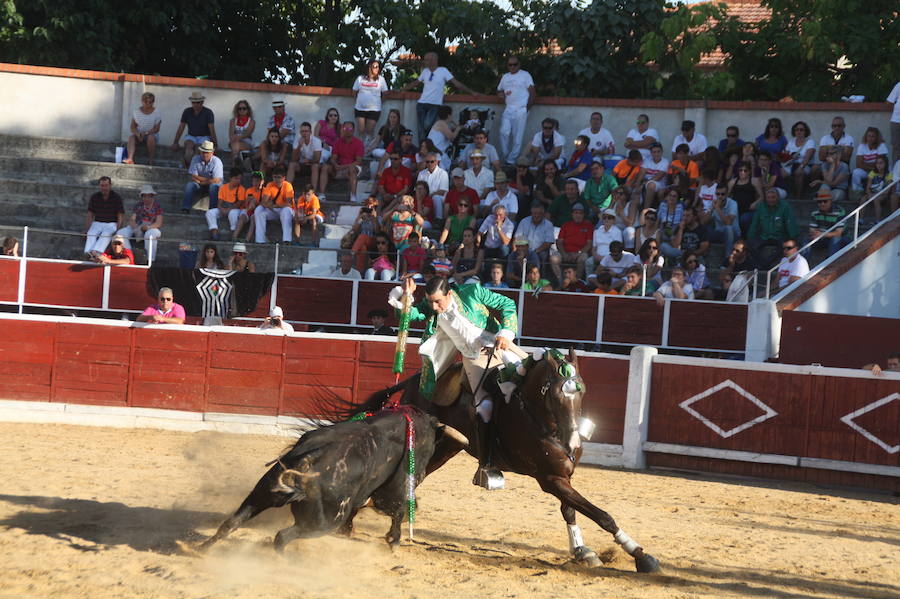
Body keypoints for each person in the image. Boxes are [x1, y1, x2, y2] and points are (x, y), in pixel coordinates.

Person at [388, 276, 526, 487]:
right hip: (473, 358)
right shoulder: (432, 307)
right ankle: (487, 463)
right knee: (484, 405)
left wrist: (506, 333)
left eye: (438, 302)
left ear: (449, 294)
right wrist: (405, 295)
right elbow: (407, 315)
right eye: (431, 302)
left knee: (531, 376)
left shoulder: (472, 292)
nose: (435, 307)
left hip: (498, 344)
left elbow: (507, 303)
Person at [399, 51, 476, 141]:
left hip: (434, 105)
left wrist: (472, 92)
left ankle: (427, 147)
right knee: (421, 130)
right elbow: (416, 83)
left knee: (427, 126)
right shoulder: (425, 71)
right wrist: (402, 89)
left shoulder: (443, 71)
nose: (425, 62)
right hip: (421, 104)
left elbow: (456, 84)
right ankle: (423, 150)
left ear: (433, 60)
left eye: (427, 60)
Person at [496, 56, 536, 165]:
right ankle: (506, 155)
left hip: (521, 109)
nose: (512, 67)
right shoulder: (505, 77)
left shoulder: (525, 75)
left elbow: (532, 92)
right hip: (508, 108)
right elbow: (499, 90)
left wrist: (526, 109)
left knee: (517, 136)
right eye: (510, 65)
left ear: (519, 64)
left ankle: (511, 160)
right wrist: (500, 95)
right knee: (503, 132)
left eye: (515, 64)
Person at [748, 189, 798, 268]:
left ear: (778, 198)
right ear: (765, 198)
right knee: (750, 245)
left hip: (780, 236)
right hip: (764, 236)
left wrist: (793, 237)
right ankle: (764, 264)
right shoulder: (760, 206)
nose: (771, 200)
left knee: (784, 247)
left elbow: (790, 223)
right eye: (768, 197)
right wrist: (750, 237)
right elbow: (755, 223)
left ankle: (765, 265)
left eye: (773, 197)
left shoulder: (785, 206)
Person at [117, 184, 163, 264]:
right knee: (121, 233)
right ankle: (128, 255)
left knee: (150, 235)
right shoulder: (139, 205)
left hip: (152, 227)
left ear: (152, 196)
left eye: (149, 196)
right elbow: (132, 219)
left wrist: (148, 227)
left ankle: (149, 260)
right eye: (144, 196)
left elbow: (159, 223)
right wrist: (136, 228)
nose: (146, 198)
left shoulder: (157, 206)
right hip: (138, 226)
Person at [322, 121, 365, 202]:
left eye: (350, 128)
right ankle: (321, 194)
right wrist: (335, 165)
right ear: (342, 129)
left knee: (352, 169)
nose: (347, 130)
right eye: (345, 128)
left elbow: (358, 161)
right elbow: (333, 158)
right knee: (325, 167)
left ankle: (353, 195)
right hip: (339, 167)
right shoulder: (338, 142)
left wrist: (342, 167)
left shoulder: (358, 143)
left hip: (353, 168)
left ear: (353, 130)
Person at [171, 91, 217, 168]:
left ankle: (191, 167)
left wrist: (215, 144)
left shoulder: (208, 112)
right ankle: (190, 166)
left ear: (202, 102)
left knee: (198, 150)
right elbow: (181, 127)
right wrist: (175, 142)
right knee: (189, 148)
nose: (195, 104)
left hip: (204, 136)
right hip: (191, 136)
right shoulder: (187, 111)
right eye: (193, 102)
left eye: (198, 102)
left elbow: (211, 129)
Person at [83, 176, 125, 258]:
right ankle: (87, 252)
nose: (104, 188)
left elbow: (120, 214)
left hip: (111, 223)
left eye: (106, 185)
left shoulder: (116, 197)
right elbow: (90, 214)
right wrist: (86, 229)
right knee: (91, 233)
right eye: (102, 185)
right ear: (99, 186)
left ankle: (96, 252)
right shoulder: (94, 197)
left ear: (110, 185)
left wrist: (118, 229)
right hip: (97, 222)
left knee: (106, 234)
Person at [253, 165, 294, 244]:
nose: (276, 180)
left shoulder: (288, 186)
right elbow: (264, 202)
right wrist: (270, 205)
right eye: (274, 177)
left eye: (279, 177)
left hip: (284, 210)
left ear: (283, 178)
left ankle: (287, 240)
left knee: (286, 211)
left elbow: (288, 204)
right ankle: (260, 240)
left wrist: (274, 205)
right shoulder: (269, 185)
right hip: (273, 209)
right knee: (259, 210)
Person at [551, 203, 592, 280]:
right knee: (554, 259)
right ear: (572, 214)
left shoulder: (588, 226)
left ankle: (576, 281)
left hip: (580, 253)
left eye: (580, 213)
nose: (578, 215)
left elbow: (589, 244)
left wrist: (578, 253)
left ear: (583, 215)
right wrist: (564, 254)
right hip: (565, 252)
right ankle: (561, 282)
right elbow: (559, 242)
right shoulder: (566, 225)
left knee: (583, 258)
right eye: (576, 213)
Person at [181, 140, 223, 214]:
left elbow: (217, 180)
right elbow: (193, 176)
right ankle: (185, 208)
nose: (204, 154)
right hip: (200, 184)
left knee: (213, 187)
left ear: (212, 153)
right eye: (203, 152)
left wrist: (201, 182)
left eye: (207, 152)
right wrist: (208, 180)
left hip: (210, 185)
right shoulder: (195, 158)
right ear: (200, 152)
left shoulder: (217, 161)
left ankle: (212, 211)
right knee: (190, 185)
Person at [352, 59, 388, 144]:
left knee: (369, 131)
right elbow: (354, 91)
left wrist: (379, 102)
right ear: (369, 67)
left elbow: (386, 93)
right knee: (361, 130)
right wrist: (358, 100)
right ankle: (359, 147)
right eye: (374, 67)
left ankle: (368, 148)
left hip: (374, 110)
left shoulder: (381, 80)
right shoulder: (360, 78)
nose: (376, 69)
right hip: (360, 108)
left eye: (377, 67)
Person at [206, 167, 247, 241]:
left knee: (232, 213)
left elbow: (239, 203)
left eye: (239, 179)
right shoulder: (223, 187)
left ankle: (233, 233)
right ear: (230, 178)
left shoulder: (241, 189)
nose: (238, 181)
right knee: (210, 212)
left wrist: (228, 210)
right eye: (236, 178)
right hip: (224, 208)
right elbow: (219, 202)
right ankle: (214, 232)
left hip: (236, 209)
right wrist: (221, 209)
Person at [806, 190, 847, 257]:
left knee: (835, 239)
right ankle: (804, 262)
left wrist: (822, 234)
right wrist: (817, 234)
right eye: (819, 201)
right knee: (806, 240)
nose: (822, 204)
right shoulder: (815, 213)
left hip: (842, 239)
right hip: (823, 238)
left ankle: (830, 263)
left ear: (830, 201)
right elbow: (812, 230)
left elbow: (838, 233)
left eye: (825, 201)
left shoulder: (840, 212)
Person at [124, 92, 161, 165]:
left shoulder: (157, 112)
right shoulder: (136, 112)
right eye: (146, 102)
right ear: (142, 101)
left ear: (153, 102)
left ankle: (151, 160)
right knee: (131, 138)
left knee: (150, 138)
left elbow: (157, 129)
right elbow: (132, 127)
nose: (148, 104)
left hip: (151, 134)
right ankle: (130, 158)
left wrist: (146, 133)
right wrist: (138, 134)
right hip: (139, 133)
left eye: (150, 102)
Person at [287, 122, 324, 189]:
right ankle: (286, 189)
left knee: (315, 166)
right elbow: (294, 159)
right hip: (302, 165)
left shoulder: (316, 141)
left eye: (306, 131)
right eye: (302, 131)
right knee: (292, 165)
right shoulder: (297, 141)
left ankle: (313, 191)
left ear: (310, 132)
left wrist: (309, 161)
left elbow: (317, 159)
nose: (304, 133)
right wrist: (299, 146)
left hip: (314, 164)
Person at [851, 127, 890, 192]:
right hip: (867, 171)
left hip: (880, 171)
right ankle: (857, 191)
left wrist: (865, 163)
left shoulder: (881, 145)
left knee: (889, 170)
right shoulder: (862, 146)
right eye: (868, 136)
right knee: (856, 172)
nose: (870, 138)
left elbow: (880, 163)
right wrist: (873, 165)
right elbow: (858, 164)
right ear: (866, 137)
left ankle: (885, 190)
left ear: (877, 137)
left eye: (873, 136)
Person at [783, 121, 816, 196]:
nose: (799, 132)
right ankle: (784, 194)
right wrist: (790, 158)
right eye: (797, 130)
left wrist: (801, 167)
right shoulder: (791, 142)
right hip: (791, 165)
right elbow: (786, 157)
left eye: (801, 130)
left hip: (805, 165)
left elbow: (808, 158)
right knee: (780, 172)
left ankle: (798, 197)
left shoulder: (810, 142)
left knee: (799, 173)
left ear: (805, 131)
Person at [350, 197, 382, 273]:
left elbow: (378, 232)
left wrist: (374, 218)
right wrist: (360, 217)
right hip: (362, 242)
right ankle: (360, 272)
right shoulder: (362, 217)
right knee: (362, 249)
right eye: (367, 206)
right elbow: (354, 229)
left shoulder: (378, 218)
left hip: (373, 241)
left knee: (362, 236)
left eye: (372, 207)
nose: (369, 208)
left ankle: (351, 254)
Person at [416, 152, 449, 219]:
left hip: (438, 198)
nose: (429, 164)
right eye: (427, 162)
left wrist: (430, 195)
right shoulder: (421, 173)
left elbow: (443, 191)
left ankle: (438, 219)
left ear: (436, 162)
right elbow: (417, 188)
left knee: (436, 197)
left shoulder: (443, 173)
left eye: (432, 161)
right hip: (425, 197)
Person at [709, 186, 740, 256]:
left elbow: (728, 222)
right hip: (719, 233)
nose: (720, 196)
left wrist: (717, 207)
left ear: (727, 194)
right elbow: (703, 221)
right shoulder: (714, 202)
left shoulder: (733, 203)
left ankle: (728, 256)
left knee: (728, 228)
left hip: (734, 234)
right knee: (705, 228)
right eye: (717, 194)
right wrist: (711, 209)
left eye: (722, 194)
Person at [863, 155, 895, 222]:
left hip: (883, 195)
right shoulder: (872, 173)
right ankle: (860, 219)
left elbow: (887, 190)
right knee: (863, 199)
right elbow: (868, 187)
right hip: (872, 193)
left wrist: (876, 195)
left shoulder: (889, 175)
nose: (879, 165)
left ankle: (878, 220)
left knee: (876, 199)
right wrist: (869, 194)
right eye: (877, 163)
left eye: (881, 163)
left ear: (885, 164)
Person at [427, 105, 459, 171]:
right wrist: (458, 128)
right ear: (448, 115)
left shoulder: (442, 124)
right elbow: (451, 137)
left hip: (438, 154)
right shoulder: (441, 123)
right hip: (436, 154)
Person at [225, 99, 255, 167]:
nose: (242, 110)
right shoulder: (233, 121)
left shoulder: (252, 121)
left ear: (248, 110)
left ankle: (234, 166)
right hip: (234, 142)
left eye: (244, 108)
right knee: (235, 145)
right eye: (239, 108)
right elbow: (231, 136)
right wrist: (238, 137)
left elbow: (247, 134)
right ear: (237, 110)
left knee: (235, 146)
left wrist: (237, 137)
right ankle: (240, 163)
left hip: (247, 143)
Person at [642, 143, 670, 208]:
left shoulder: (665, 162)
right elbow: (641, 173)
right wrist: (638, 185)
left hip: (660, 184)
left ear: (662, 152)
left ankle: (645, 210)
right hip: (646, 182)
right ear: (651, 153)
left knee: (651, 185)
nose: (656, 154)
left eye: (658, 151)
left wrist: (644, 183)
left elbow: (658, 177)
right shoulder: (647, 160)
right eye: (654, 152)